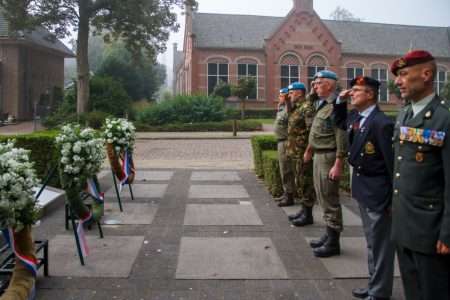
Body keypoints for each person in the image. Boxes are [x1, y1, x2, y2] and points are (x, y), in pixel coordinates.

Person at [390, 50, 450, 300]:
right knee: (412, 291)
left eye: (403, 74)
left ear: (426, 74)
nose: (397, 81)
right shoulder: (405, 113)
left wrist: (447, 233)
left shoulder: (444, 118)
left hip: (430, 232)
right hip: (404, 225)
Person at [342, 76, 395, 300]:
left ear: (370, 95)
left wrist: (392, 200)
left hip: (378, 193)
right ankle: (374, 286)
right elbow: (337, 121)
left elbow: (393, 165)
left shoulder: (381, 123)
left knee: (380, 247)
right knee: (372, 244)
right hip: (364, 189)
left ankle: (379, 292)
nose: (351, 93)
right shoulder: (358, 117)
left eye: (356, 90)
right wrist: (338, 101)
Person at [304, 70, 347, 257]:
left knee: (329, 198)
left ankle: (333, 242)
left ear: (329, 85)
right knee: (321, 196)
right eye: (314, 83)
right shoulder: (321, 104)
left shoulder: (337, 106)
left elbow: (341, 135)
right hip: (318, 155)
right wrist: (309, 149)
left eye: (318, 83)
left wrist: (339, 162)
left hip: (328, 156)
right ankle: (328, 235)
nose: (314, 86)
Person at [285, 81, 317, 225]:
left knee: (305, 182)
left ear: (299, 93)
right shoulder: (298, 107)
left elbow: (312, 131)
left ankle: (308, 214)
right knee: (299, 181)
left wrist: (309, 150)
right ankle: (303, 210)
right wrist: (287, 101)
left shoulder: (307, 108)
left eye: (291, 93)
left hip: (303, 151)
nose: (289, 95)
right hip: (295, 151)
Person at [274, 87, 296, 206]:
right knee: (283, 169)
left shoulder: (290, 107)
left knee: (287, 170)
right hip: (280, 141)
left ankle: (290, 196)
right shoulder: (281, 108)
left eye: (282, 96)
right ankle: (286, 193)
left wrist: (287, 101)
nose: (279, 98)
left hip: (286, 142)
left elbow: (290, 112)